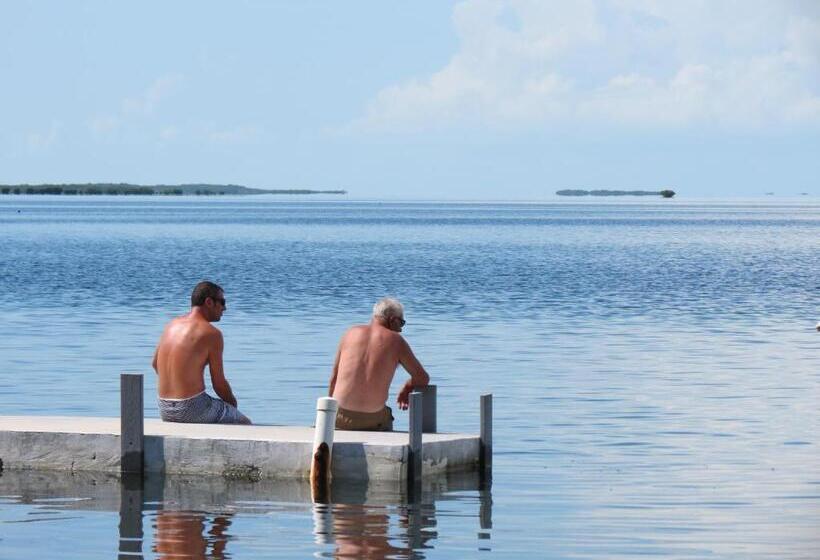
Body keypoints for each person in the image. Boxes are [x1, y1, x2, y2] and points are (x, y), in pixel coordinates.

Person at [152, 281, 251, 424]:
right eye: (222, 302)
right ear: (209, 302)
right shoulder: (211, 334)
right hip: (192, 408)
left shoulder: (171, 325)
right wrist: (232, 406)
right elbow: (219, 383)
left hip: (164, 409)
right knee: (244, 423)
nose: (225, 308)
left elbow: (155, 364)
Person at [328, 297, 430, 431]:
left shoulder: (349, 333)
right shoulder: (396, 341)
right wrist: (407, 387)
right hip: (373, 419)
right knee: (386, 414)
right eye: (402, 323)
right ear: (393, 320)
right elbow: (422, 378)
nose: (400, 329)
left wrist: (328, 415)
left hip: (339, 417)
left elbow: (334, 379)